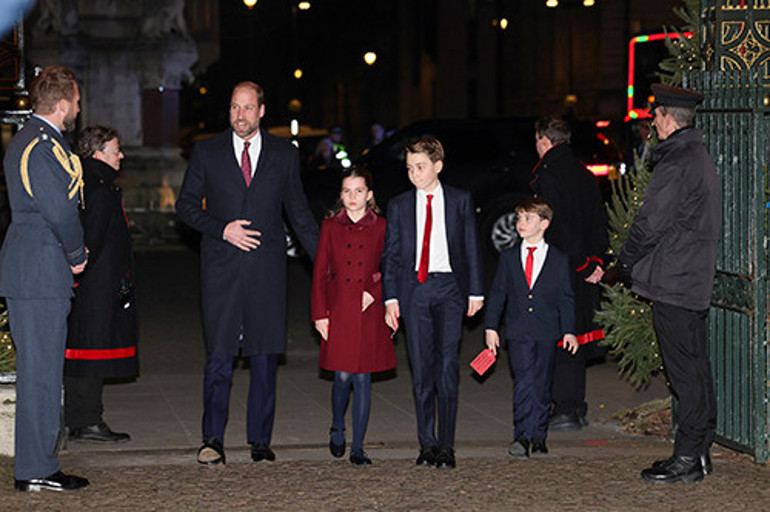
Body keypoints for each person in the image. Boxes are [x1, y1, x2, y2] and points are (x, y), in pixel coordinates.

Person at [176, 81, 319, 466]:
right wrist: (221, 228)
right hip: (220, 271)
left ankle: (260, 440)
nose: (240, 115)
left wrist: (328, 262)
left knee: (264, 358)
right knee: (219, 357)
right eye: (234, 107)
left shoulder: (284, 154)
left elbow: (299, 214)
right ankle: (212, 439)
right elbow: (186, 206)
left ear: (261, 111)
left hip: (267, 272)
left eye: (247, 107)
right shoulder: (207, 151)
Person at [617, 83, 720, 484]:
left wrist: (626, 262)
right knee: (695, 369)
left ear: (667, 118)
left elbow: (650, 223)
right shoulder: (695, 155)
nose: (652, 123)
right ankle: (697, 451)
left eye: (655, 115)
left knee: (686, 374)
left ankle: (688, 457)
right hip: (688, 279)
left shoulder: (677, 162)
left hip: (676, 282)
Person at [0, 65, 89, 492]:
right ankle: (37, 468)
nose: (79, 108)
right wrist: (77, 254)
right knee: (41, 374)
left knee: (42, 372)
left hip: (35, 270)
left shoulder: (37, 140)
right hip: (39, 271)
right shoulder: (39, 145)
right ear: (62, 103)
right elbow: (59, 211)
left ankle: (36, 464)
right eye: (77, 101)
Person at [382, 136, 484, 469]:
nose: (414, 173)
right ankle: (427, 442)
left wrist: (476, 291)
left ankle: (446, 444)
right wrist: (391, 297)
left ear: (438, 166)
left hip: (450, 288)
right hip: (415, 290)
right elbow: (391, 254)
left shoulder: (459, 200)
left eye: (420, 167)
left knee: (447, 366)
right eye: (410, 168)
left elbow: (471, 247)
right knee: (421, 368)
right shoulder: (399, 205)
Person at [311, 167, 396, 466]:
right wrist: (319, 314)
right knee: (342, 376)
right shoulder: (330, 226)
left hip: (368, 309)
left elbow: (392, 266)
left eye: (359, 190)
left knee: (362, 378)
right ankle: (337, 425)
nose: (352, 196)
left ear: (369, 195)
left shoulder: (382, 226)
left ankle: (358, 446)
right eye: (347, 190)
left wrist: (376, 291)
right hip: (339, 308)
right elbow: (320, 273)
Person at [531, 115, 608, 431]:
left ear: (544, 140)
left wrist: (580, 262)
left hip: (562, 266)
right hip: (584, 266)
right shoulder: (583, 173)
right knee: (575, 332)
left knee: (560, 336)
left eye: (537, 141)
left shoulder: (548, 175)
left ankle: (563, 407)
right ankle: (575, 406)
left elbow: (558, 227)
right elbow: (598, 220)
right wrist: (596, 262)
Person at [484, 197, 577, 459]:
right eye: (519, 218)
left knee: (542, 383)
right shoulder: (509, 257)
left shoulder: (558, 259)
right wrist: (491, 326)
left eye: (528, 218)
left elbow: (566, 298)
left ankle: (539, 433)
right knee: (524, 381)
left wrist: (569, 330)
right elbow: (498, 293)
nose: (521, 223)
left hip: (547, 331)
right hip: (518, 331)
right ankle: (522, 436)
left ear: (544, 224)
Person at [65, 125, 138, 443]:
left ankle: (78, 419)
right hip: (96, 285)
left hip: (90, 284)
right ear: (97, 154)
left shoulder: (88, 183)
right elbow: (91, 241)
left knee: (81, 350)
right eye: (115, 150)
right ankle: (88, 420)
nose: (121, 156)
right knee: (90, 352)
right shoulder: (99, 189)